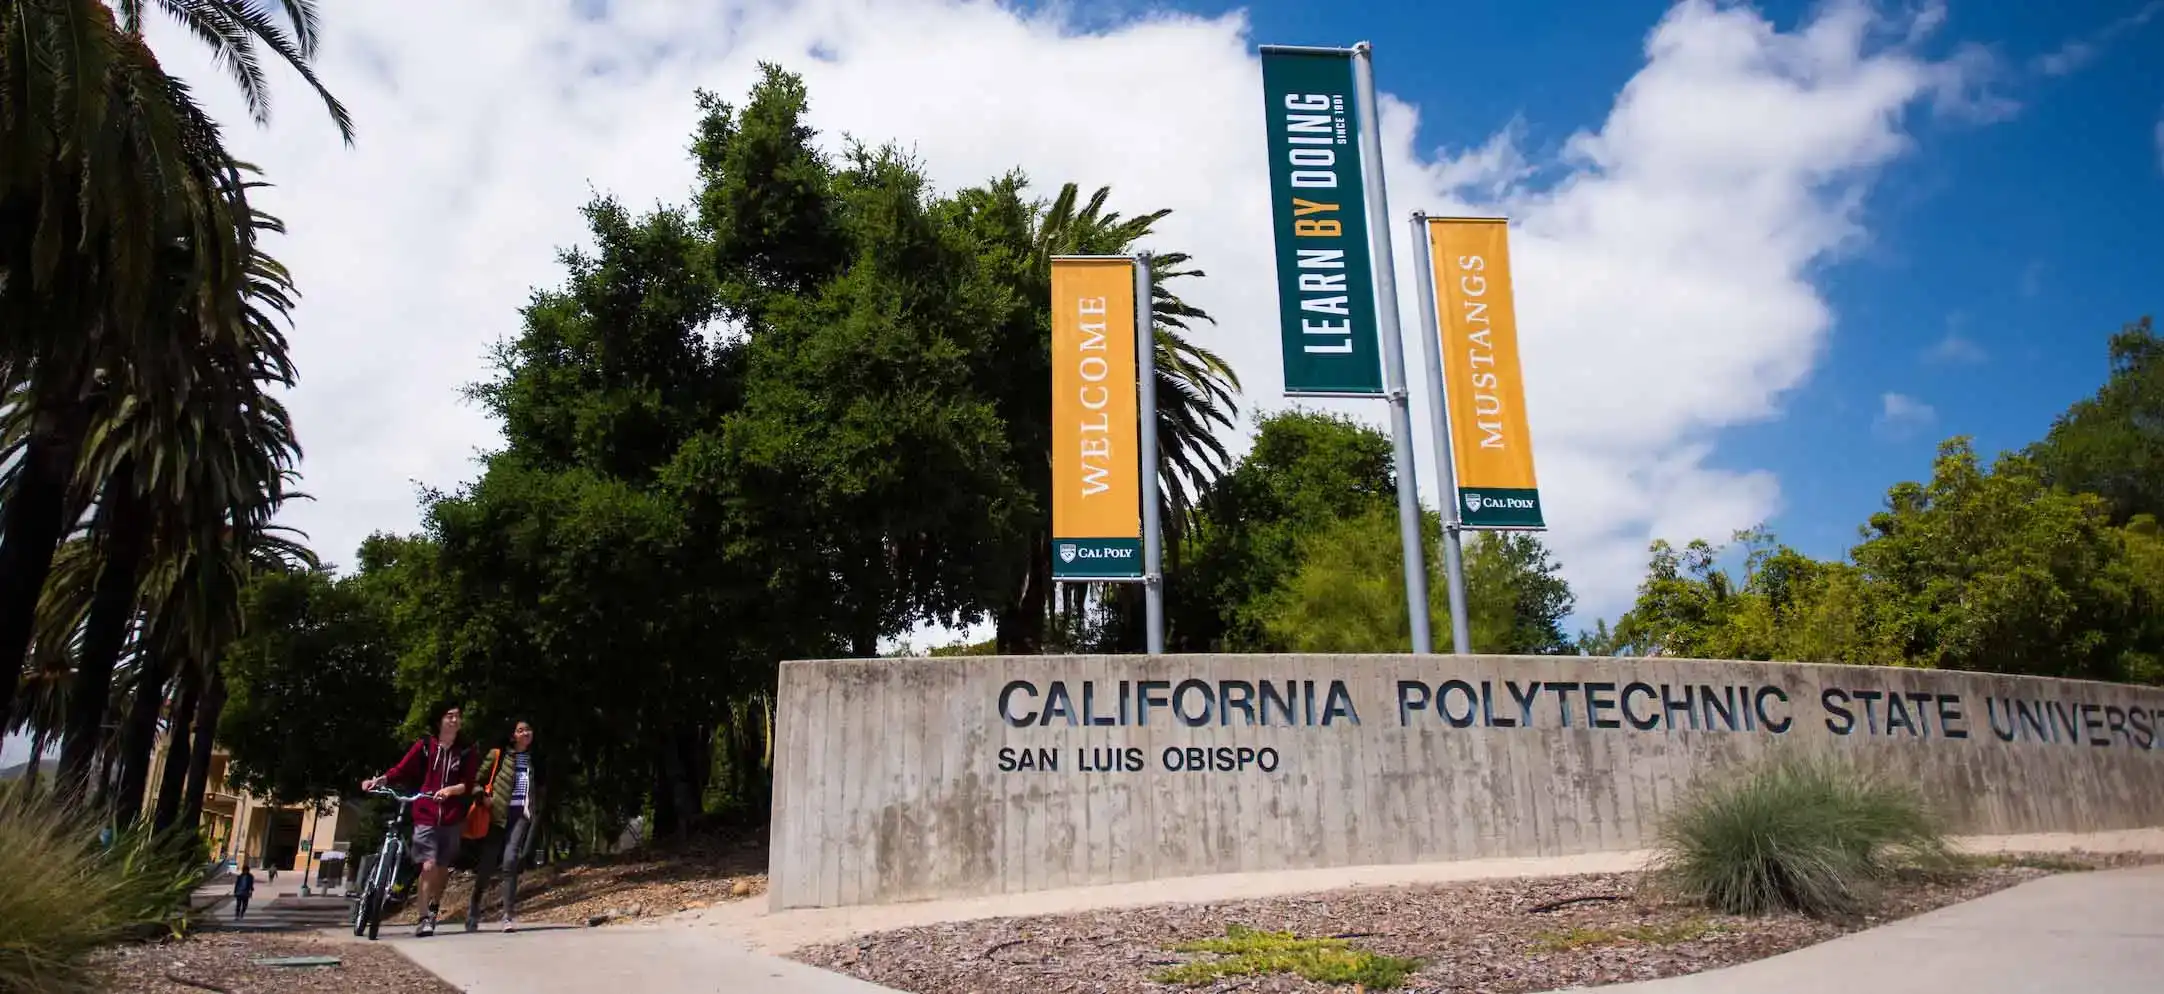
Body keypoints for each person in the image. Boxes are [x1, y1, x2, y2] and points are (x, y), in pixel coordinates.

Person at [362, 703, 478, 938]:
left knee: (443, 869)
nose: (455, 720)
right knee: (428, 866)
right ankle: (423, 918)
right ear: (439, 721)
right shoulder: (425, 746)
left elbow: (468, 783)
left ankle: (434, 907)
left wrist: (450, 791)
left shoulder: (466, 750)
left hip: (452, 817)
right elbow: (400, 770)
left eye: (458, 717)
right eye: (450, 716)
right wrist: (380, 780)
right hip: (425, 813)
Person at [466, 719, 545, 932]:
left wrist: (533, 807)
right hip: (497, 816)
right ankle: (474, 908)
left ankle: (508, 916)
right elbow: (475, 782)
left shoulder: (533, 759)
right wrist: (483, 798)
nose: (526, 733)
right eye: (521, 730)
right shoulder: (497, 755)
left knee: (511, 861)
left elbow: (537, 786)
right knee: (487, 866)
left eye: (529, 729)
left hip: (521, 815)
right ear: (513, 736)